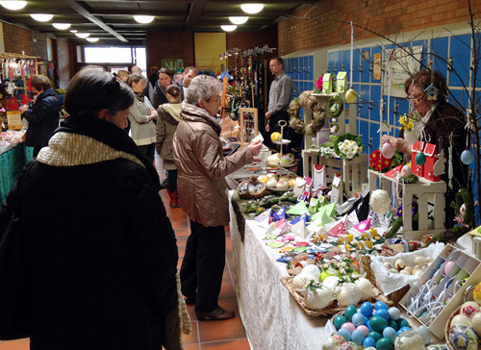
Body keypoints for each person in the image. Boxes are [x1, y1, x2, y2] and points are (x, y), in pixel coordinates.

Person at [0, 67, 179, 349]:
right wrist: (165, 309)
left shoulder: (33, 172)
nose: (125, 126)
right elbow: (156, 257)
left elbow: (9, 236)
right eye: (123, 118)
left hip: (54, 319)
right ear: (103, 117)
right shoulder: (128, 175)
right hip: (122, 320)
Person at [172, 75, 262, 321]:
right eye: (215, 101)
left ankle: (188, 287)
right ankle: (207, 306)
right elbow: (216, 169)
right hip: (204, 194)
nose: (219, 105)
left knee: (197, 241)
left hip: (191, 189)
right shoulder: (202, 129)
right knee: (211, 252)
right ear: (201, 103)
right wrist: (246, 153)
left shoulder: (187, 118)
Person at [381, 69, 468, 227]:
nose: (412, 102)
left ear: (432, 94)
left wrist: (407, 148)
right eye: (410, 97)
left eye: (417, 97)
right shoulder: (413, 117)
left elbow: (441, 157)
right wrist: (391, 145)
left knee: (431, 232)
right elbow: (402, 149)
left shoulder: (449, 117)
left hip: (438, 193)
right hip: (414, 188)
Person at [264, 57, 301, 151]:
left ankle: (281, 163)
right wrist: (269, 121)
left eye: (273, 65)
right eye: (270, 66)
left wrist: (270, 113)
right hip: (272, 117)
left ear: (280, 66)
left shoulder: (285, 80)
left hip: (280, 116)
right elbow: (272, 102)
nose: (270, 68)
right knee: (273, 144)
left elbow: (283, 101)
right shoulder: (274, 81)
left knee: (279, 145)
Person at [18, 75, 60, 157]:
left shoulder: (45, 101)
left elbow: (35, 119)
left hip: (42, 139)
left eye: (34, 88)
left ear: (40, 87)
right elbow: (40, 114)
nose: (33, 91)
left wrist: (25, 112)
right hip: (47, 137)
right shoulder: (51, 98)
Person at [156, 84, 182, 208]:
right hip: (184, 147)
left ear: (168, 95)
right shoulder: (186, 108)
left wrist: (159, 147)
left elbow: (160, 131)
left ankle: (173, 200)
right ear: (179, 95)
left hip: (169, 146)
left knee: (171, 174)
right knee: (182, 174)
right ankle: (181, 198)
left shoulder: (162, 110)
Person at [127, 73, 157, 163]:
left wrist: (151, 115)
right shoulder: (130, 99)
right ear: (133, 84)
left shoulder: (145, 98)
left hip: (151, 134)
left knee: (151, 161)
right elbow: (139, 118)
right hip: (140, 137)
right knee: (142, 163)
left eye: (145, 84)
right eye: (142, 84)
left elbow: (154, 112)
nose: (144, 86)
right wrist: (151, 116)